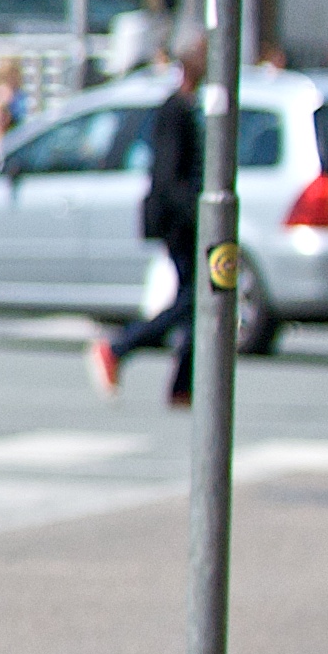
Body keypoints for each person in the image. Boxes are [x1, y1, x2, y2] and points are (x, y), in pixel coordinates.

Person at [94, 39, 207, 410]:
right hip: (179, 220)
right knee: (193, 299)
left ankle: (181, 385)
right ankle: (119, 347)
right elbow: (169, 177)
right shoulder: (175, 110)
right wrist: (196, 214)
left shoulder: (190, 108)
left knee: (195, 299)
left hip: (184, 218)